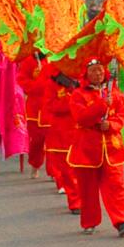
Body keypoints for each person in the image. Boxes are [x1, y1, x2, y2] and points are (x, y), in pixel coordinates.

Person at [67, 61, 124, 237]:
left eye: (99, 70)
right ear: (86, 74)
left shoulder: (113, 93)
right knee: (87, 188)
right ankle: (89, 221)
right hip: (86, 148)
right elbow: (81, 117)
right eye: (93, 71)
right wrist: (101, 106)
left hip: (112, 148)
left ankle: (123, 220)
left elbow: (122, 115)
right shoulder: (78, 95)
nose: (97, 74)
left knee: (117, 185)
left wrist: (112, 124)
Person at [41, 69, 83, 216]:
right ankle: (75, 201)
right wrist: (71, 101)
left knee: (83, 170)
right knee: (67, 170)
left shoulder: (84, 80)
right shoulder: (53, 82)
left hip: (82, 131)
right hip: (60, 133)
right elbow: (51, 106)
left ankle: (86, 199)